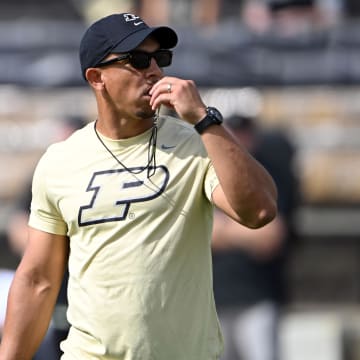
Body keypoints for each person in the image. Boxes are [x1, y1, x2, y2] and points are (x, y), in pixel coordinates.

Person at [0, 13, 277, 360]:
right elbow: (38, 279)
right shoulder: (59, 161)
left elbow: (260, 210)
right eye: (138, 60)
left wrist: (205, 120)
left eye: (160, 59)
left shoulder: (195, 143)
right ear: (97, 77)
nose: (155, 71)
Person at [212, 114, 299, 360]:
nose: (240, 139)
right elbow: (196, 234)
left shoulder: (269, 171)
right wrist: (243, 232)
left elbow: (271, 236)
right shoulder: (208, 169)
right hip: (212, 299)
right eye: (233, 131)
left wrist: (223, 230)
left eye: (245, 131)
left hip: (258, 295)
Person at [4, 116, 87, 359]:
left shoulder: (94, 178)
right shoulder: (46, 174)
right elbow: (17, 227)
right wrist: (54, 243)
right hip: (52, 285)